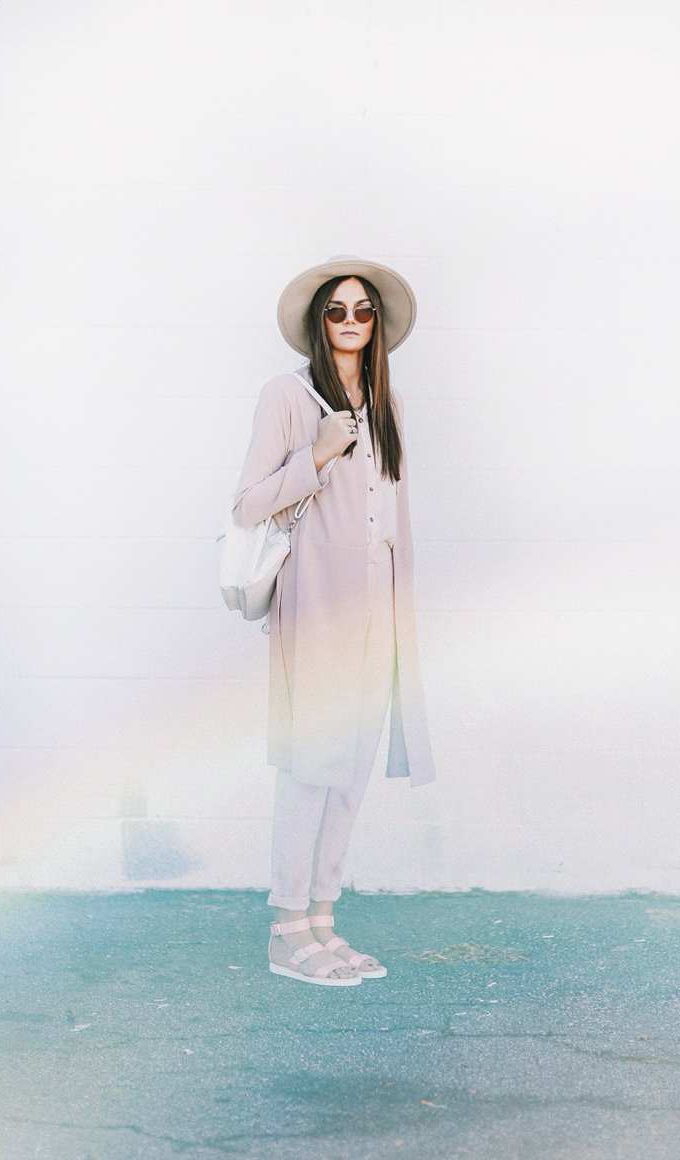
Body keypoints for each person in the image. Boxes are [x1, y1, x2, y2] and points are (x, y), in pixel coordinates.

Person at [232, 256, 436, 986]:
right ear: (319, 322)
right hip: (318, 605)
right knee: (311, 767)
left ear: (376, 323)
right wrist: (316, 456)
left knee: (349, 772)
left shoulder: (388, 401)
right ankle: (286, 929)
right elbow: (247, 505)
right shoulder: (287, 397)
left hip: (381, 606)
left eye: (363, 311)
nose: (351, 322)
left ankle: (322, 920)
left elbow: (392, 512)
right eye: (337, 310)